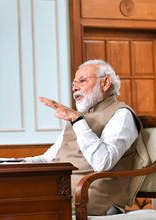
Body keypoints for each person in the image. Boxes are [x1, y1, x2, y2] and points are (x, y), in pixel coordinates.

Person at [24, 60, 148, 216]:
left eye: (82, 81)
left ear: (105, 83)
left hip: (90, 199)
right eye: (74, 83)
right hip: (60, 195)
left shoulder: (122, 115)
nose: (75, 87)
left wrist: (77, 121)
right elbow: (49, 158)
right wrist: (11, 163)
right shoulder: (77, 118)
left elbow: (103, 163)